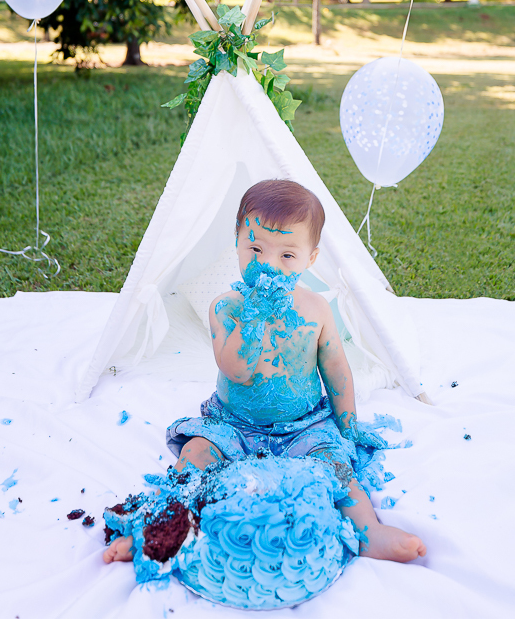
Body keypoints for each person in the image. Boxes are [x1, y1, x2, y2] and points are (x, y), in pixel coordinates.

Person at [104, 179, 426, 565]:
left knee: (336, 467)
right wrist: (253, 315)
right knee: (194, 457)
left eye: (287, 255)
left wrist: (348, 422)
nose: (268, 265)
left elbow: (337, 368)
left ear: (311, 258)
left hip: (303, 426)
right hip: (233, 423)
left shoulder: (317, 310)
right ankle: (158, 531)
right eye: (255, 248)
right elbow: (236, 369)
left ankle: (367, 531)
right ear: (237, 243)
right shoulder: (226, 308)